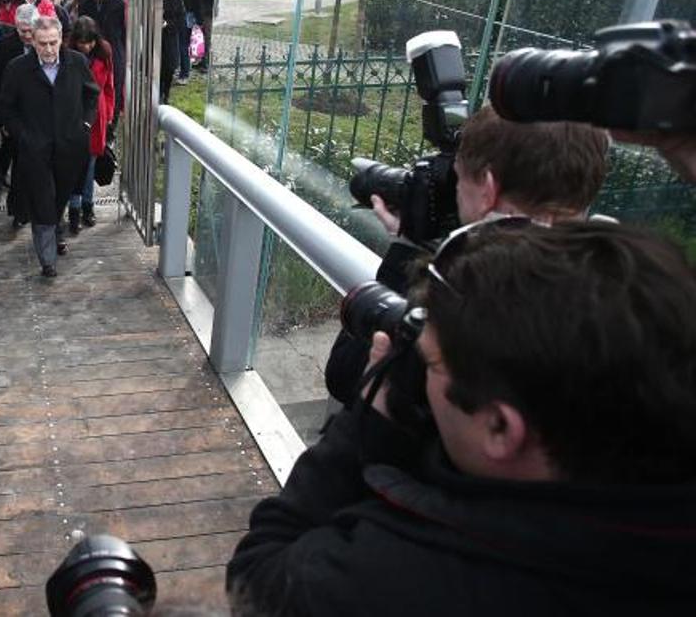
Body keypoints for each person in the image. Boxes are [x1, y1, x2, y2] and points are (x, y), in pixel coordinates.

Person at [227, 219, 696, 616]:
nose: (416, 370)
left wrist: (368, 420)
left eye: (428, 362)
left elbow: (256, 579)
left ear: (500, 428)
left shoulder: (388, 579)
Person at [325, 105, 611, 408]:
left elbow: (347, 375)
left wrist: (410, 250)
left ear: (488, 190)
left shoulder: (470, 297)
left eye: (458, 180)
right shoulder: (614, 287)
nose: (455, 194)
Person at [0, 16, 99, 278]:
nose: (49, 49)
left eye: (53, 42)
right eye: (43, 44)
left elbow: (91, 94)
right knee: (42, 200)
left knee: (60, 195)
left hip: (70, 146)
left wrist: (85, 125)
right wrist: (23, 135)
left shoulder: (77, 62)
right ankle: (47, 259)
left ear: (62, 38)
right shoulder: (17, 68)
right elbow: (6, 107)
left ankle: (55, 230)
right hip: (35, 148)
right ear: (33, 41)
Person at [65, 16, 115, 235]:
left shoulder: (104, 52)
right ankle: (76, 208)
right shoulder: (68, 55)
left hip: (98, 113)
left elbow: (110, 85)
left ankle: (86, 205)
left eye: (89, 42)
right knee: (76, 164)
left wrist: (111, 112)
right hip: (75, 112)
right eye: (81, 42)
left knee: (91, 163)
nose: (85, 46)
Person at [0, 3, 38, 212]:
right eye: (22, 31)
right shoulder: (4, 46)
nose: (27, 36)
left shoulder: (46, 42)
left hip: (40, 113)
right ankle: (18, 208)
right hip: (16, 114)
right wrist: (3, 120)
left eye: (30, 30)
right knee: (18, 161)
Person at [75, 0, 127, 118]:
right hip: (91, 51)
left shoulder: (118, 3)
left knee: (114, 88)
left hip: (114, 50)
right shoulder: (84, 2)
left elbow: (124, 30)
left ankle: (111, 125)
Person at [171, 0, 203, 85]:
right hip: (175, 19)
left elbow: (198, 6)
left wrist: (199, 23)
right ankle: (178, 68)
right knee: (177, 45)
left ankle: (185, 73)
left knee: (183, 46)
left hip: (188, 19)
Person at [160, 0, 186, 104]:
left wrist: (167, 24)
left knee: (169, 68)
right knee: (158, 68)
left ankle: (166, 93)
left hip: (170, 38)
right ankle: (158, 93)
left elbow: (181, 20)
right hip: (156, 39)